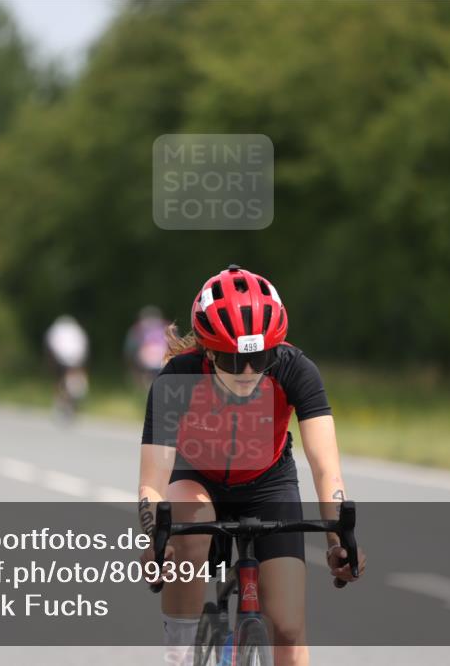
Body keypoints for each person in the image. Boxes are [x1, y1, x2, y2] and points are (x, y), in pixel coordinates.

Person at [138, 265, 366, 666]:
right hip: (198, 479)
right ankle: (179, 647)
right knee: (185, 521)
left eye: (259, 357)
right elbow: (152, 482)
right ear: (207, 351)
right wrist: (155, 540)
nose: (246, 372)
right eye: (231, 359)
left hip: (268, 483)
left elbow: (325, 467)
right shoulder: (177, 378)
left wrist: (338, 542)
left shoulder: (296, 369)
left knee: (290, 629)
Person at [44, 315, 89, 418]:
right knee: (73, 379)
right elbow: (84, 346)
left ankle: (61, 403)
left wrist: (50, 361)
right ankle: (69, 402)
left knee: (60, 381)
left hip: (61, 358)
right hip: (76, 358)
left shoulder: (56, 330)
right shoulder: (77, 330)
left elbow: (50, 345)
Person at [124, 306, 169, 391]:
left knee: (148, 381)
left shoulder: (137, 329)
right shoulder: (167, 327)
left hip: (146, 362)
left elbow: (129, 351)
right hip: (163, 361)